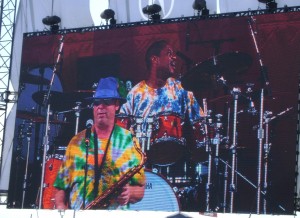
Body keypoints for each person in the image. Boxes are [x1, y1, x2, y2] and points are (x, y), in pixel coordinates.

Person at [53, 77, 146, 210]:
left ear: (117, 105)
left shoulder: (129, 140)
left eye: (106, 102)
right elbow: (60, 188)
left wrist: (130, 193)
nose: (100, 107)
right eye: (96, 103)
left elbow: (140, 190)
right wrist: (61, 207)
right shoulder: (76, 142)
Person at [119, 40, 204, 165]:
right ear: (155, 59)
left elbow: (199, 122)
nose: (174, 57)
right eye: (169, 53)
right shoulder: (135, 93)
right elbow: (121, 128)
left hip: (178, 160)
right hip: (141, 162)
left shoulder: (181, 89)